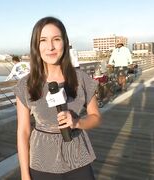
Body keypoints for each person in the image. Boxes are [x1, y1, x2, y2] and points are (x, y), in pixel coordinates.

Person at [14, 16, 101, 180]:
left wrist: (77, 122)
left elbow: (96, 117)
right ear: (36, 45)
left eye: (56, 39)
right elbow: (23, 131)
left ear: (65, 43)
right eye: (43, 40)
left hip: (77, 158)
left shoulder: (81, 79)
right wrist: (25, 174)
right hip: (41, 161)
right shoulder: (25, 84)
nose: (50, 47)